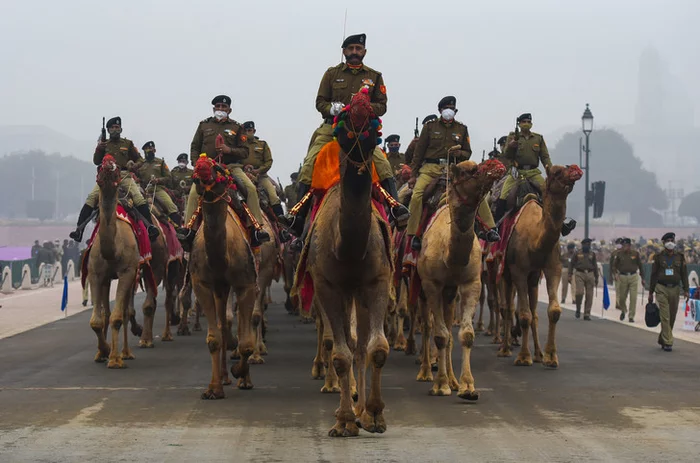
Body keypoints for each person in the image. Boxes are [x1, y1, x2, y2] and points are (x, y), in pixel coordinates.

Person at [295, 33, 407, 223]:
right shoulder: (332, 74)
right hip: (333, 127)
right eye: (351, 49)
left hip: (363, 131)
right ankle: (297, 216)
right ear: (344, 51)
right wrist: (332, 108)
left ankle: (396, 208)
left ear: (364, 52)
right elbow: (320, 102)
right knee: (310, 163)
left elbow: (383, 106)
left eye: (358, 49)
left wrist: (366, 108)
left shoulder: (374, 76)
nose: (354, 52)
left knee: (383, 165)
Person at [407, 96, 499, 251]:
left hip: (454, 170)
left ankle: (490, 228)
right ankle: (413, 234)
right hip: (430, 169)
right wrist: (413, 175)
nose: (449, 112)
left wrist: (458, 153)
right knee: (416, 195)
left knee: (476, 192)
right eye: (446, 109)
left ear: (455, 111)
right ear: (440, 110)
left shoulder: (462, 129)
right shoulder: (429, 127)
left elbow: (468, 152)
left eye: (452, 109)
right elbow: (418, 153)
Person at [181, 95, 269, 247]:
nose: (220, 109)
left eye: (223, 107)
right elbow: (195, 146)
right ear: (214, 109)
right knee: (194, 193)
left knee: (250, 189)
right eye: (218, 107)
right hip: (208, 167)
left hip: (231, 167)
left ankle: (256, 228)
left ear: (229, 110)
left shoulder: (237, 127)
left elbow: (245, 152)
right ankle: (190, 229)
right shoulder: (203, 125)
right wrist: (197, 165)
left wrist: (229, 150)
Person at [69, 116, 159, 242]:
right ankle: (79, 230)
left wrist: (134, 164)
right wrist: (99, 148)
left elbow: (140, 159)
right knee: (91, 198)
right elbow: (96, 161)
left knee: (138, 197)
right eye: (113, 128)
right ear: (108, 129)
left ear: (121, 129)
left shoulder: (127, 144)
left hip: (124, 175)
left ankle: (150, 227)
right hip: (106, 176)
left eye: (117, 127)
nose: (115, 130)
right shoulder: (104, 144)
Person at [494, 113, 575, 236]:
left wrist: (551, 171)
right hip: (517, 172)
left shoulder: (538, 138)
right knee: (503, 194)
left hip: (533, 172)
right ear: (519, 124)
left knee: (549, 192)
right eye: (524, 122)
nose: (526, 124)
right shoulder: (513, 136)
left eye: (528, 121)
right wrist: (511, 146)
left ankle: (561, 223)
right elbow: (507, 155)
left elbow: (545, 157)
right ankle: (495, 226)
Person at [648, 232, 689, 352]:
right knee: (664, 316)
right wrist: (651, 292)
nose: (670, 242)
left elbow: (684, 274)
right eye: (668, 241)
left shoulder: (680, 257)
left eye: (672, 240)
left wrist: (686, 290)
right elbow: (654, 275)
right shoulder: (658, 257)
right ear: (664, 243)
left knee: (672, 316)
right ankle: (668, 342)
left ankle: (663, 337)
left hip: (675, 289)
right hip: (661, 288)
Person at [240, 121, 285, 220]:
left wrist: (258, 171)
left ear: (254, 131)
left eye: (250, 130)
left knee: (272, 194)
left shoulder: (262, 144)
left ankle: (281, 221)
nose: (248, 133)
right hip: (243, 175)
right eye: (245, 131)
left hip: (261, 176)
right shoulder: (239, 146)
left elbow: (269, 161)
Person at [136, 141, 181, 226]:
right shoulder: (140, 164)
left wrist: (158, 180)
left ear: (155, 150)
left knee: (171, 206)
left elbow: (168, 177)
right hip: (144, 191)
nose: (149, 150)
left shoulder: (160, 162)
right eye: (147, 149)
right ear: (144, 151)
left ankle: (178, 229)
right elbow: (137, 177)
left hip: (158, 189)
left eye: (151, 149)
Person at [612, 237, 645, 322]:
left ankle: (631, 316)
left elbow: (640, 266)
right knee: (622, 298)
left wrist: (643, 278)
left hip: (633, 276)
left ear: (630, 246)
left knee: (633, 298)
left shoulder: (635, 254)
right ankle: (624, 310)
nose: (625, 247)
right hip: (623, 277)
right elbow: (614, 266)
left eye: (626, 245)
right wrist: (615, 273)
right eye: (623, 245)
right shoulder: (619, 254)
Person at [569, 238, 598, 320]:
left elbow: (595, 265)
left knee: (589, 295)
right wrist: (570, 274)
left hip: (590, 274)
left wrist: (596, 277)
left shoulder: (592, 254)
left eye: (589, 244)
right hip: (579, 273)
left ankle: (587, 313)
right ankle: (578, 308)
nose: (588, 246)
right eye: (586, 244)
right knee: (579, 292)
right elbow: (571, 264)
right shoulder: (577, 253)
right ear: (583, 245)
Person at [609, 237, 623, 309]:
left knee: (623, 289)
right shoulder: (614, 253)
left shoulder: (625, 253)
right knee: (618, 288)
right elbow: (611, 264)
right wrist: (611, 275)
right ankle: (618, 303)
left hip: (624, 273)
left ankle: (620, 302)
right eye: (618, 244)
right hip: (617, 272)